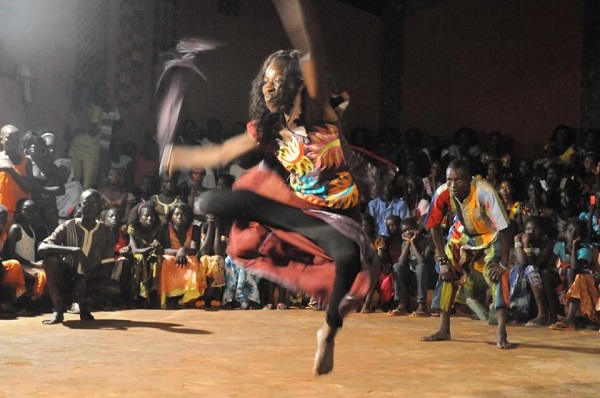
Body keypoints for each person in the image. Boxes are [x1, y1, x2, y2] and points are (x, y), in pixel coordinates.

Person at [160, 0, 377, 375]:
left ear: (296, 83)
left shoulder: (320, 111)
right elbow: (223, 152)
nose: (268, 87)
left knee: (347, 257)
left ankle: (329, 330)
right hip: (294, 209)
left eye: (277, 80)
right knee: (213, 199)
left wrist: (295, 9)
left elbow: (310, 48)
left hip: (333, 217)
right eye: (265, 81)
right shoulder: (268, 130)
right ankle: (257, 228)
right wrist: (177, 157)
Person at [421, 159, 512, 349]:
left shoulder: (485, 192)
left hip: (490, 235)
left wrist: (503, 265)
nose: (453, 185)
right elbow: (433, 227)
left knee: (498, 276)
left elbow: (504, 229)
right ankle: (444, 328)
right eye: (450, 180)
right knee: (446, 274)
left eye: (458, 180)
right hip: (462, 234)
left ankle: (501, 331)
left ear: (469, 179)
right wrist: (443, 260)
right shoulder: (443, 192)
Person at [38, 189, 114, 324]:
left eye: (95, 205)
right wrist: (73, 250)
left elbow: (108, 265)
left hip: (89, 277)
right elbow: (42, 248)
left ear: (100, 207)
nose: (91, 208)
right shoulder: (68, 226)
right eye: (87, 204)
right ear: (79, 205)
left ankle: (85, 305)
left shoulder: (105, 232)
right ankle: (58, 309)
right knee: (51, 261)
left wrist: (85, 279)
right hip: (67, 275)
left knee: (112, 288)